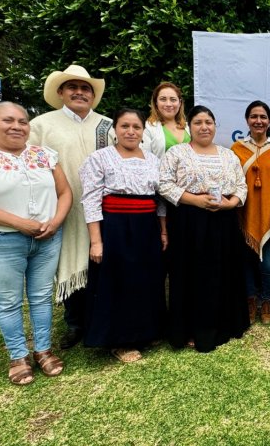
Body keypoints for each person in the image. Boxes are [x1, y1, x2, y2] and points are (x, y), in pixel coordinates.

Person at [0, 102, 72, 384]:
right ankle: (17, 355)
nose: (17, 126)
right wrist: (19, 223)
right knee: (9, 300)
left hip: (46, 237)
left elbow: (65, 193)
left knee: (40, 296)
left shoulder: (44, 155)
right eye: (8, 120)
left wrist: (56, 221)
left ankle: (43, 350)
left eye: (23, 121)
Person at [28, 64, 113, 349]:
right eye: (73, 87)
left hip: (105, 208)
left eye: (85, 88)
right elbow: (29, 167)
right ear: (61, 92)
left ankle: (98, 320)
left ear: (92, 94)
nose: (79, 92)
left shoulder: (108, 125)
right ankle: (74, 323)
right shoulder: (41, 125)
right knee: (69, 261)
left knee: (103, 264)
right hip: (62, 207)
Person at [79, 109, 168, 363]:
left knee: (148, 279)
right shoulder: (100, 158)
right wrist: (96, 241)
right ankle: (120, 341)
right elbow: (91, 200)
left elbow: (159, 199)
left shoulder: (153, 160)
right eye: (125, 126)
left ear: (143, 131)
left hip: (147, 225)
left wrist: (163, 230)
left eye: (136, 127)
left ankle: (147, 330)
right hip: (115, 226)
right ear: (115, 129)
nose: (131, 131)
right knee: (119, 281)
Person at [159, 105, 249, 352]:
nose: (204, 127)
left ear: (215, 125)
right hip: (189, 222)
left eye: (208, 122)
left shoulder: (228, 155)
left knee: (221, 272)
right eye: (198, 122)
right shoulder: (176, 153)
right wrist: (195, 199)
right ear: (189, 126)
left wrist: (231, 203)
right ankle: (190, 329)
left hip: (223, 222)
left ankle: (223, 325)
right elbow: (163, 184)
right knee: (192, 274)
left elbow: (242, 185)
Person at [231, 101, 270, 325]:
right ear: (247, 120)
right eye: (254, 116)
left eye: (263, 117)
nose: (258, 121)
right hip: (243, 213)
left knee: (268, 264)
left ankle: (266, 300)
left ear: (269, 121)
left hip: (269, 215)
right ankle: (250, 299)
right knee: (246, 262)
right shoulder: (236, 148)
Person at [141, 82, 190, 158]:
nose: (168, 104)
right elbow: (145, 159)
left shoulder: (189, 127)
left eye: (173, 100)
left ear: (179, 103)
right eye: (163, 99)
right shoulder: (147, 128)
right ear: (156, 102)